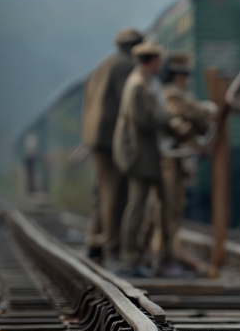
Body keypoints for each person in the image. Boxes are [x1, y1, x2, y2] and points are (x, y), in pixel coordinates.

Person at [80, 27, 144, 261]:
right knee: (115, 193)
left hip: (95, 137)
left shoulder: (102, 65)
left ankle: (95, 240)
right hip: (111, 139)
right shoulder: (125, 67)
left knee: (102, 190)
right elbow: (129, 107)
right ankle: (113, 246)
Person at [113, 41, 175, 276]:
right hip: (138, 155)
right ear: (152, 60)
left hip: (142, 154)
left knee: (140, 205)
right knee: (137, 205)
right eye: (158, 60)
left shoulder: (142, 82)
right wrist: (166, 118)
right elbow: (143, 119)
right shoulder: (138, 85)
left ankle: (136, 256)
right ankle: (130, 257)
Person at [153, 52, 216, 274]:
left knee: (174, 209)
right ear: (176, 76)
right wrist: (204, 113)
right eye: (183, 74)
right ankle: (164, 258)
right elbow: (182, 118)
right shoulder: (171, 96)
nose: (186, 79)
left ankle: (168, 256)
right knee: (167, 209)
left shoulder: (177, 95)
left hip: (175, 160)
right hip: (169, 159)